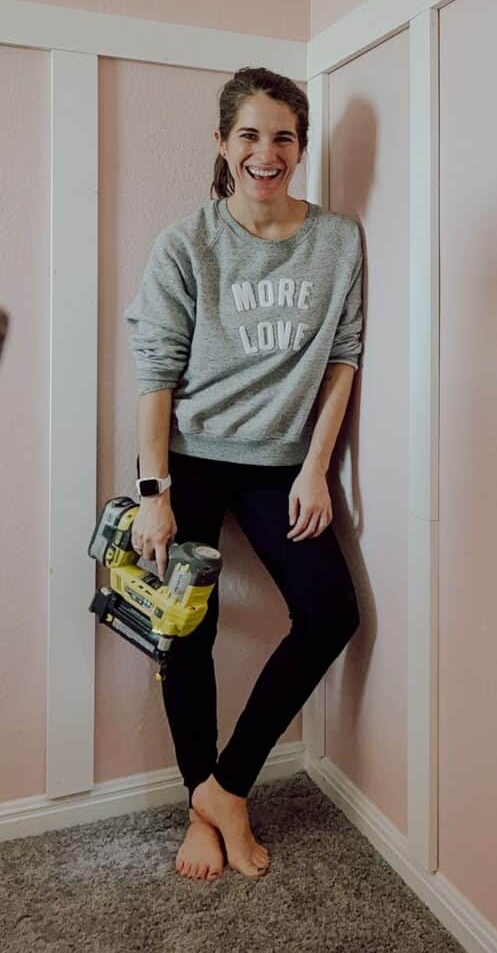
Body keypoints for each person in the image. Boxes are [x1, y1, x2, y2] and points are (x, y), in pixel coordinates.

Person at [124, 66, 363, 882]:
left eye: (284, 137)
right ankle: (203, 797)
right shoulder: (187, 243)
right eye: (250, 136)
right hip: (185, 458)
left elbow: (341, 358)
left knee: (331, 613)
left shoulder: (337, 239)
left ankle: (226, 787)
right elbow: (154, 371)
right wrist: (154, 493)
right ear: (223, 144)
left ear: (300, 146)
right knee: (187, 631)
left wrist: (317, 469)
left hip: (279, 463)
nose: (268, 153)